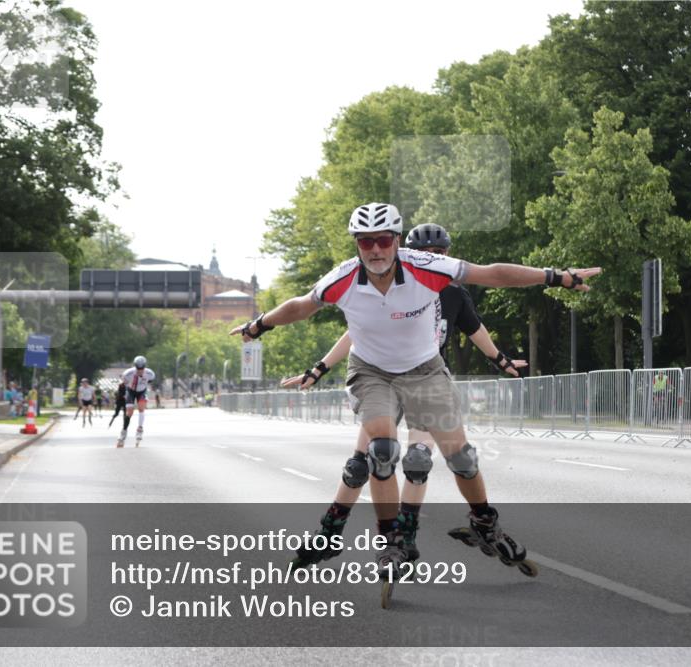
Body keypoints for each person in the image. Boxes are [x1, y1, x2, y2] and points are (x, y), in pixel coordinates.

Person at [232, 202, 600, 575]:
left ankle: (484, 520)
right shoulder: (342, 279)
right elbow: (301, 306)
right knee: (381, 450)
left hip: (425, 371)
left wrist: (555, 277)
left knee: (462, 459)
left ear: (395, 240)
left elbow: (492, 275)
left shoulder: (426, 268)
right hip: (372, 372)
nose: (375, 249)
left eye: (383, 240)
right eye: (365, 242)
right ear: (357, 244)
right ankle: (391, 541)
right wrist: (260, 325)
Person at [281, 222, 527, 566]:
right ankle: (329, 534)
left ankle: (408, 536)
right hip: (379, 377)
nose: (431, 260)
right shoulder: (395, 286)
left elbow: (475, 329)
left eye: (439, 255)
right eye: (425, 254)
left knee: (417, 460)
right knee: (361, 463)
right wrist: (319, 368)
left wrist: (499, 359)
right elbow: (355, 333)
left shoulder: (454, 293)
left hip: (424, 379)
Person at [117, 356, 156, 447]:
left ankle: (140, 429)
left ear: (145, 367)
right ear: (135, 367)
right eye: (138, 369)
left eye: (142, 369)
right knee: (129, 412)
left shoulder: (150, 373)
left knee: (141, 408)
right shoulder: (128, 373)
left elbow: (150, 382)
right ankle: (124, 431)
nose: (140, 371)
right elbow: (123, 384)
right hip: (130, 391)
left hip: (142, 391)